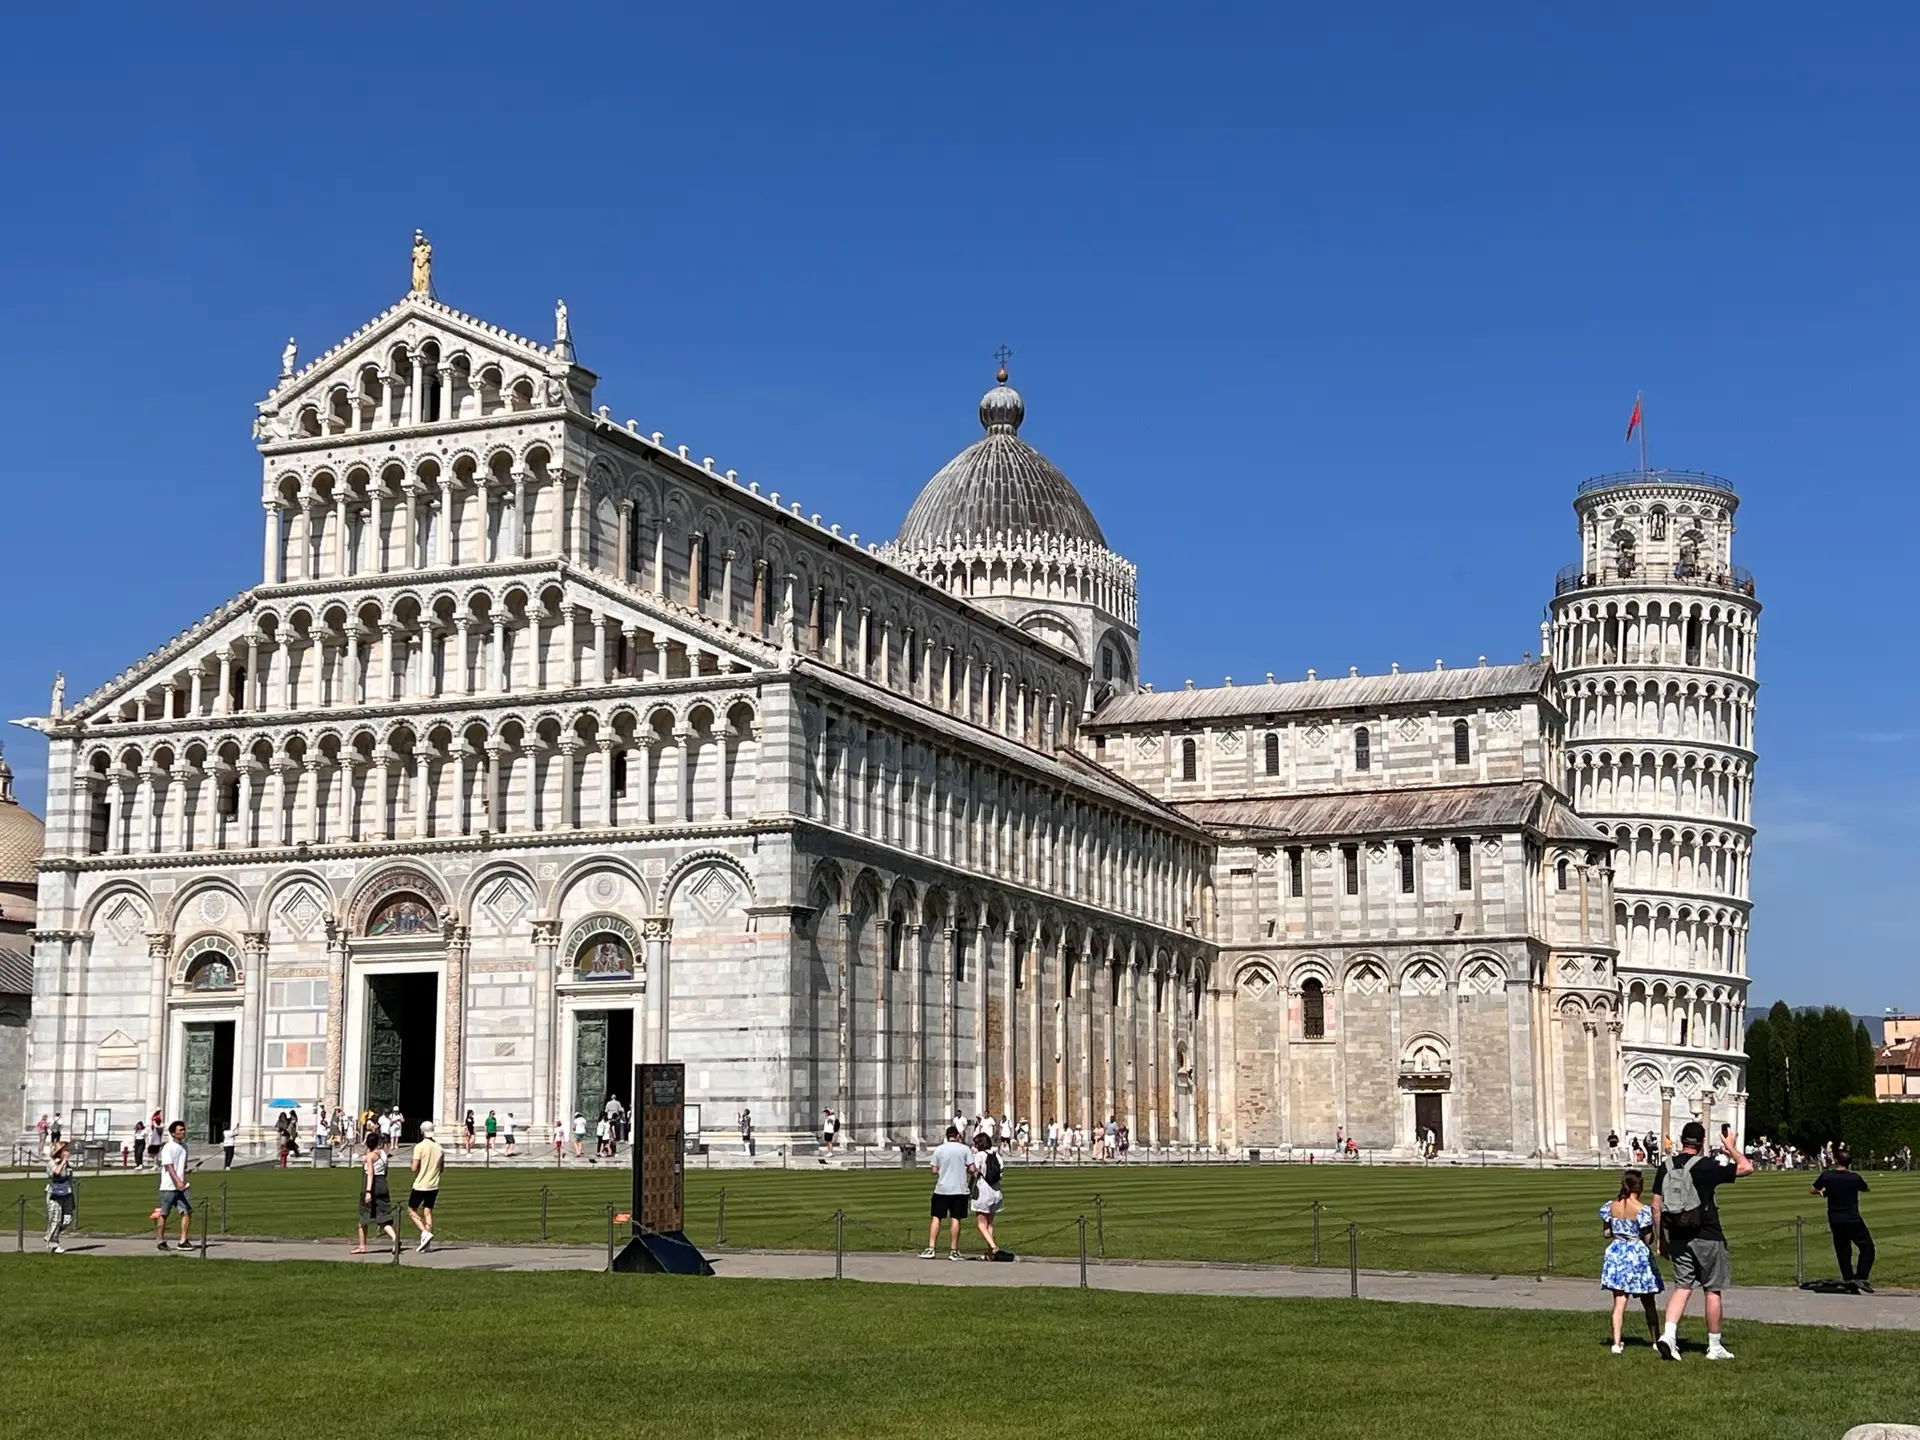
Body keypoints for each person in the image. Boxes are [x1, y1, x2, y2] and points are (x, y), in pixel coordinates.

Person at [1652, 1120, 1752, 1361]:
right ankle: (1714, 1345)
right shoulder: (1705, 1166)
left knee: (1682, 1286)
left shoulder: (1665, 1166)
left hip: (1677, 1233)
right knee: (1712, 1289)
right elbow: (1746, 1167)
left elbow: (1656, 1205)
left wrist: (1660, 1239)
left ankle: (1669, 1335)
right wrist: (1731, 1148)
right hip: (1707, 1233)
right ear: (1702, 1142)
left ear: (1681, 1141)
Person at [1599, 1169, 1663, 1353]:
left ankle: (1616, 1342)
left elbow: (1606, 1233)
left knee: (1619, 1301)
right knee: (1648, 1300)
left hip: (1617, 1251)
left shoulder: (1610, 1206)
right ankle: (1655, 1339)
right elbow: (1648, 1238)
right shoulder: (1642, 1210)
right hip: (1636, 1253)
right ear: (1639, 1186)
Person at [1812, 1144, 1874, 1292]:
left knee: (1843, 1250)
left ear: (1835, 1161)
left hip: (1835, 1218)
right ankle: (1861, 1277)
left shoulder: (1827, 1176)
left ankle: (1848, 1280)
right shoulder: (1854, 1178)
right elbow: (1866, 1188)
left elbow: (1813, 1189)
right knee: (1867, 1247)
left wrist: (1823, 1192)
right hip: (1852, 1218)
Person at [921, 1125, 973, 1260]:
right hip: (959, 1189)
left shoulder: (939, 1150)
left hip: (942, 1188)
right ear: (957, 1136)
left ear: (946, 1136)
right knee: (956, 1219)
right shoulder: (965, 1149)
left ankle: (931, 1248)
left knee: (936, 1218)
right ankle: (954, 1250)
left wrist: (943, 1171)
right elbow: (972, 1168)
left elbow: (933, 1170)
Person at [354, 1130, 398, 1254]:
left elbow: (370, 1174)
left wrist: (368, 1191)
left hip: (372, 1185)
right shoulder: (383, 1153)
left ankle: (362, 1246)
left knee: (363, 1216)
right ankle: (394, 1238)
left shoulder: (370, 1156)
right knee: (383, 1216)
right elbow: (385, 1169)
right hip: (382, 1183)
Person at [155, 1120, 192, 1251]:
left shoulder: (185, 1147)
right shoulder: (168, 1147)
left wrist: (185, 1175)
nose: (183, 1132)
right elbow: (169, 1167)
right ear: (173, 1133)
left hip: (181, 1186)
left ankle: (183, 1240)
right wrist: (177, 1181)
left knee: (187, 1211)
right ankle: (160, 1240)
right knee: (164, 1213)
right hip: (168, 1186)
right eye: (180, 1130)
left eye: (184, 1129)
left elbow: (182, 1166)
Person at [408, 1121, 444, 1253]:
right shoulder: (439, 1147)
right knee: (427, 1211)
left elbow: (414, 1168)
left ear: (422, 1131)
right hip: (434, 1184)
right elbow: (441, 1168)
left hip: (421, 1184)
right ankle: (426, 1243)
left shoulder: (419, 1146)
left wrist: (413, 1164)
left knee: (411, 1210)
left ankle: (424, 1232)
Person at [970, 1132, 1005, 1257]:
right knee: (989, 1223)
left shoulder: (979, 1156)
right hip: (996, 1191)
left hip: (983, 1191)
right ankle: (990, 1253)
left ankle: (993, 1246)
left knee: (981, 1223)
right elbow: (1000, 1172)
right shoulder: (997, 1155)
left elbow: (974, 1171)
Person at [45, 1141, 76, 1253]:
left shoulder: (68, 1165)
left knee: (68, 1219)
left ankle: (50, 1234)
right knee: (55, 1219)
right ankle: (53, 1243)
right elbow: (56, 1173)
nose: (68, 1152)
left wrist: (72, 1196)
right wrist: (63, 1162)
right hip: (55, 1194)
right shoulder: (52, 1163)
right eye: (65, 1150)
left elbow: (69, 1180)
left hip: (66, 1193)